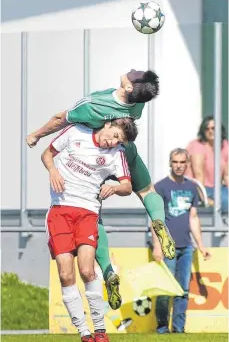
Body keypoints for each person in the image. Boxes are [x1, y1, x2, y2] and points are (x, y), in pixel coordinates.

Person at [26, 68, 175, 310]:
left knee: (93, 215)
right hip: (125, 150)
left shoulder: (94, 105)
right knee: (148, 190)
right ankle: (159, 221)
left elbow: (59, 119)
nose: (130, 71)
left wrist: (37, 134)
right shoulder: (138, 103)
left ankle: (107, 270)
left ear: (129, 88)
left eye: (133, 75)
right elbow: (141, 88)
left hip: (99, 153)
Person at [42, 118, 138, 342]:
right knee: (66, 274)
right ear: (107, 124)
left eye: (118, 141)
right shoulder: (76, 132)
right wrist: (53, 170)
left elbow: (127, 186)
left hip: (87, 213)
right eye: (114, 135)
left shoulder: (116, 154)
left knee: (86, 270)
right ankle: (84, 332)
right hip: (59, 211)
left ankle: (100, 330)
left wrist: (114, 188)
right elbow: (46, 154)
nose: (112, 142)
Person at [154, 148, 211, 334]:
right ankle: (162, 329)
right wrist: (158, 246)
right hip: (166, 246)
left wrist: (201, 246)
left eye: (182, 162)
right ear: (170, 163)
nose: (178, 166)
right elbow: (156, 220)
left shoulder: (191, 187)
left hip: (187, 247)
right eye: (175, 162)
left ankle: (179, 330)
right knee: (165, 290)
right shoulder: (161, 186)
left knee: (183, 290)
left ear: (187, 164)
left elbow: (193, 218)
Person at [186, 115, 228, 213]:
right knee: (226, 202)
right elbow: (199, 175)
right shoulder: (197, 145)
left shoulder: (225, 145)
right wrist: (206, 199)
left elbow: (227, 175)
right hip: (199, 187)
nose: (210, 131)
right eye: (207, 129)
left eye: (213, 128)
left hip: (217, 187)